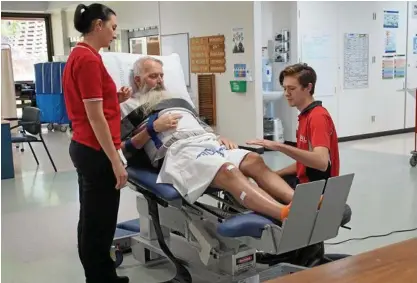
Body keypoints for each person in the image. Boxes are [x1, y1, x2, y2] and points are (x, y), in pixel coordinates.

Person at [118, 56, 316, 224]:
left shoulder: (176, 100)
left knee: (254, 160)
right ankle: (284, 214)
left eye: (161, 75)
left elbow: (199, 125)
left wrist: (218, 136)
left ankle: (301, 202)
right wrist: (153, 128)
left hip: (207, 143)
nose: (160, 80)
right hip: (179, 152)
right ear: (137, 79)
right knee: (228, 170)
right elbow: (124, 149)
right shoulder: (129, 106)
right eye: (153, 76)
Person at [63, 3, 132, 283]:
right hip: (96, 150)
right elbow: (95, 117)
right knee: (99, 224)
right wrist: (116, 160)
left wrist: (116, 99)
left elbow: (91, 104)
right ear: (98, 25)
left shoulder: (80, 55)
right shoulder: (89, 60)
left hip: (84, 145)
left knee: (92, 218)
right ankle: (101, 278)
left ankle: (102, 274)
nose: (115, 34)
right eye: (113, 27)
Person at [247, 63, 340, 188]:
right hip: (304, 181)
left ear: (308, 87)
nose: (286, 93)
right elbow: (304, 164)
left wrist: (280, 146)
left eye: (292, 89)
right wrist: (274, 175)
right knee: (262, 182)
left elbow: (321, 162)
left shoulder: (317, 117)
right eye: (284, 88)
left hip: (315, 190)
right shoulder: (305, 116)